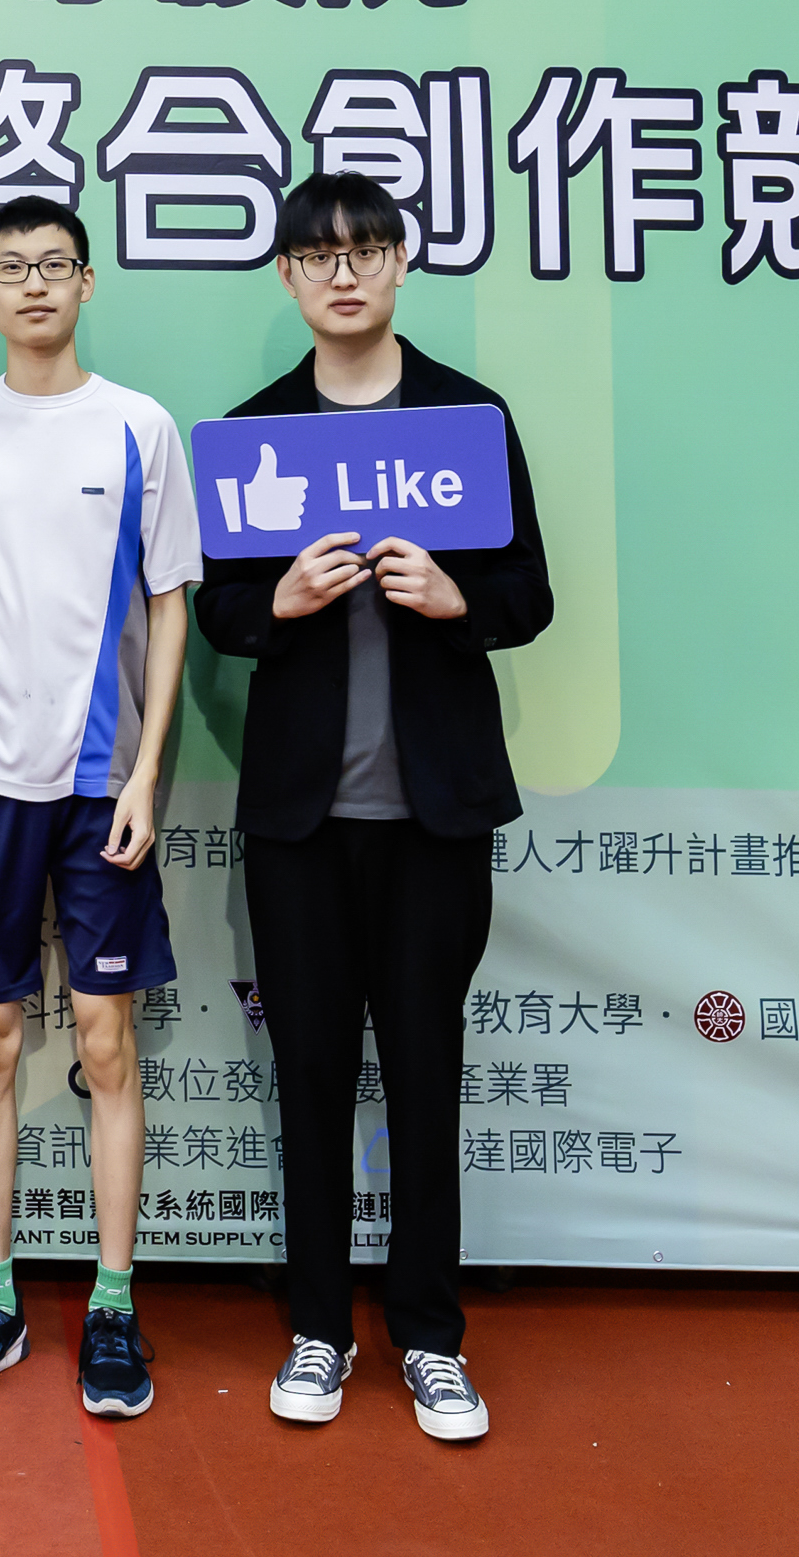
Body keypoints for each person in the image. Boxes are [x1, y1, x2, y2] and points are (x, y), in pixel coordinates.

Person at [194, 172, 551, 1444]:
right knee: (306, 1078)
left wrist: (459, 601)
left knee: (423, 1077)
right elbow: (214, 611)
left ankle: (430, 1338)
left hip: (434, 820)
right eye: (317, 255)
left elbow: (528, 596)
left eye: (364, 251)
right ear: (286, 277)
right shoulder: (252, 436)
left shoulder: (468, 419)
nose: (341, 274)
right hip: (300, 824)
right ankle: (315, 1328)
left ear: (400, 264)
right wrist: (274, 604)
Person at [0, 192, 200, 1419]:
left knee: (102, 1041)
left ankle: (113, 1306)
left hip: (97, 790)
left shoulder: (138, 426)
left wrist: (143, 775)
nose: (34, 284)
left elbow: (171, 600)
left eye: (55, 264)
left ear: (87, 283)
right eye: (11, 267)